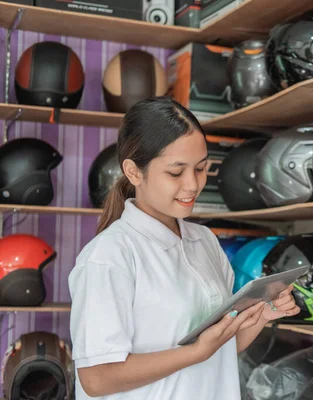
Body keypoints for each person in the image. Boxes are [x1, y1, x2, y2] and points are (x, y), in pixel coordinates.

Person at [68, 97, 300, 399]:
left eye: (202, 168)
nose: (193, 184)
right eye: (176, 172)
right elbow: (97, 378)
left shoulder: (204, 241)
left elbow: (221, 350)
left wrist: (263, 315)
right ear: (134, 172)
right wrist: (195, 352)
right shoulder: (109, 256)